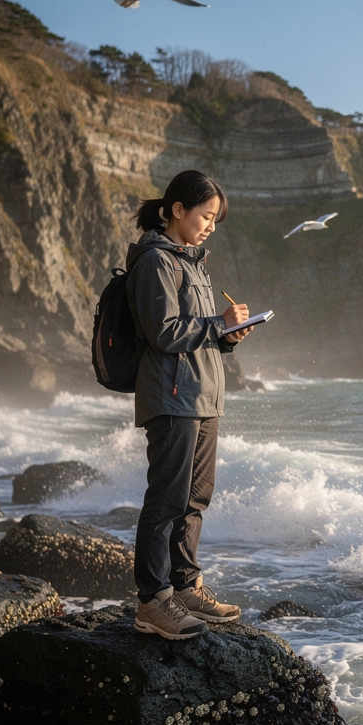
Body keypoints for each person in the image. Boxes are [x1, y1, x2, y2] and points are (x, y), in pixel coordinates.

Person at [126, 170, 251, 640]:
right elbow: (163, 332)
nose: (211, 225)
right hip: (172, 397)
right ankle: (152, 601)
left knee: (195, 499)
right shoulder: (156, 261)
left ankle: (185, 585)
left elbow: (198, 336)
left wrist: (228, 335)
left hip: (202, 397)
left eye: (216, 219)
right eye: (206, 215)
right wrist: (217, 323)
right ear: (177, 210)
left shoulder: (193, 263)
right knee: (166, 500)